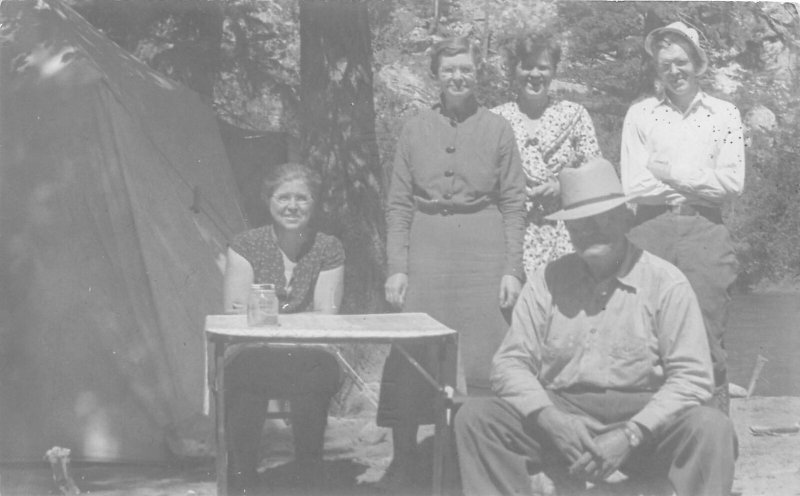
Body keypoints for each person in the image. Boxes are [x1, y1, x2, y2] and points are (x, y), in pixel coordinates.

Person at [455, 158, 737, 496]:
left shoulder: (666, 283)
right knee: (476, 418)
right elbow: (509, 364)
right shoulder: (547, 281)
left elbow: (692, 379)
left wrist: (632, 433)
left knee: (711, 427)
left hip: (645, 418)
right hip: (562, 413)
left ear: (624, 219)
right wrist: (550, 419)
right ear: (567, 229)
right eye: (578, 222)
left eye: (602, 219)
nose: (590, 229)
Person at [380, 36, 526, 486]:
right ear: (436, 75)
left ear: (477, 73)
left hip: (482, 251)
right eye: (449, 69)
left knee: (482, 357)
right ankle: (405, 462)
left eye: (466, 68)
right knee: (413, 351)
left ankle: (473, 458)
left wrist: (511, 269)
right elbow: (399, 204)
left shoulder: (498, 128)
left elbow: (515, 204)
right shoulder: (414, 129)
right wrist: (397, 267)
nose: (458, 76)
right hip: (426, 250)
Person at [620, 21, 745, 413]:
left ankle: (714, 432)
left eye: (681, 62)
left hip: (706, 230)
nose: (674, 71)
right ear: (656, 70)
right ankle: (648, 438)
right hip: (649, 229)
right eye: (664, 65)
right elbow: (636, 186)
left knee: (708, 328)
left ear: (697, 62)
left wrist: (670, 172)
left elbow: (731, 183)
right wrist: (696, 181)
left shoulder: (724, 114)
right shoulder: (640, 115)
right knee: (646, 332)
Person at [222, 163, 345, 492]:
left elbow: (327, 316)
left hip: (306, 355)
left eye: (302, 199)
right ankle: (241, 480)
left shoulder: (328, 247)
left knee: (316, 379)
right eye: (284, 197)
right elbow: (235, 315)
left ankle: (307, 478)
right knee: (243, 378)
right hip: (255, 354)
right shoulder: (245, 245)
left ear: (314, 203)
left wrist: (267, 312)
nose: (293, 206)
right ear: (268, 200)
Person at [491, 32, 602, 281]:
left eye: (543, 67)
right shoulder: (496, 119)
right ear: (514, 69)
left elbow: (596, 174)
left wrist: (562, 186)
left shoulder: (575, 114)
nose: (535, 74)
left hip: (567, 231)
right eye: (527, 66)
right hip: (514, 232)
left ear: (553, 71)